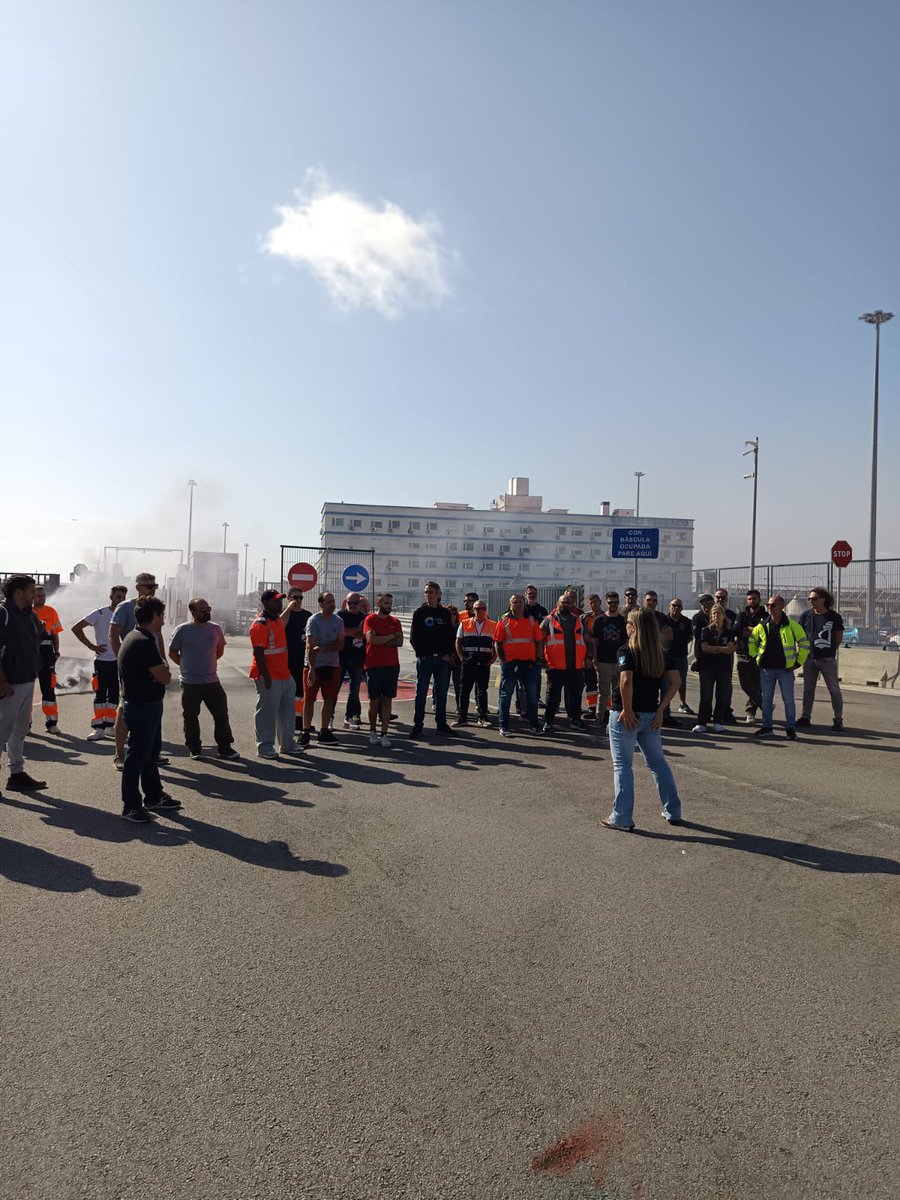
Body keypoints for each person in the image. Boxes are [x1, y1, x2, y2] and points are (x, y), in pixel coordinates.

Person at [601, 607, 683, 832]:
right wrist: (661, 709)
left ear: (634, 627)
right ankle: (673, 810)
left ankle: (622, 817)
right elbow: (676, 681)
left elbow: (626, 681)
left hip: (626, 715)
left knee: (622, 766)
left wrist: (626, 710)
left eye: (627, 622)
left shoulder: (626, 650)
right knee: (658, 762)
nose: (624, 626)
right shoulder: (660, 653)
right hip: (651, 715)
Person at [118, 595, 181, 822]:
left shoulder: (134, 636)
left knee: (149, 754)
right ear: (153, 616)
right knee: (137, 756)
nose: (163, 620)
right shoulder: (144, 642)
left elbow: (159, 674)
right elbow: (164, 676)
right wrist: (163, 670)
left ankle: (154, 796)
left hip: (144, 704)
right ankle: (131, 806)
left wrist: (160, 671)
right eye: (162, 615)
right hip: (143, 706)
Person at [168, 597, 238, 760]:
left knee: (221, 714)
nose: (207, 613)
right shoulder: (182, 630)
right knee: (191, 716)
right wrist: (187, 667)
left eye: (208, 609)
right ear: (193, 613)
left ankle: (225, 747)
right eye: (203, 611)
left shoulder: (215, 629)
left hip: (212, 681)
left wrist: (208, 664)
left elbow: (219, 650)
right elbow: (173, 652)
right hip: (190, 683)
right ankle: (194, 748)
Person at [109, 573, 167, 770]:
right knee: (125, 707)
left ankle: (152, 753)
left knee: (153, 705)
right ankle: (119, 754)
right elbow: (114, 635)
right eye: (149, 586)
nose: (152, 589)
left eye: (155, 585)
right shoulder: (125, 607)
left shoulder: (155, 606)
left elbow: (158, 636)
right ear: (138, 587)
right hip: (133, 666)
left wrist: (163, 659)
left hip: (152, 664)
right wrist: (122, 660)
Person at [0, 575, 48, 795]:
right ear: (19, 592)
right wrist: (2, 681)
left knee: (19, 731)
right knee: (1, 733)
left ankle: (16, 775)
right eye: (31, 592)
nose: (34, 596)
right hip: (8, 685)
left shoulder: (31, 616)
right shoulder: (3, 614)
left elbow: (38, 638)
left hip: (27, 680)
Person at [748, 596, 810, 740]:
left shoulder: (792, 625)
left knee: (788, 699)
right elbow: (752, 641)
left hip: (785, 670)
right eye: (768, 605)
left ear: (782, 606)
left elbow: (805, 643)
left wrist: (798, 662)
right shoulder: (763, 625)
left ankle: (790, 728)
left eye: (773, 605)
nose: (770, 607)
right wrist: (756, 657)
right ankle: (767, 726)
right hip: (766, 669)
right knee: (766, 700)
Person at [72, 585, 127, 740]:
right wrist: (91, 646)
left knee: (116, 694)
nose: (120, 600)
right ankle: (98, 727)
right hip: (102, 661)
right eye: (118, 597)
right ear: (111, 597)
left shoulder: (127, 614)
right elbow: (76, 628)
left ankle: (109, 725)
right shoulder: (100, 613)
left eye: (123, 597)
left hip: (119, 661)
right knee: (100, 693)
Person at [249, 588, 298, 759]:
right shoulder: (260, 624)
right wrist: (266, 676)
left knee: (287, 712)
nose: (279, 603)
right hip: (269, 675)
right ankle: (264, 747)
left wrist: (290, 607)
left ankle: (287, 744)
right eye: (276, 600)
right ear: (266, 603)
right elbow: (259, 653)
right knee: (267, 713)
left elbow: (283, 619)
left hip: (284, 674)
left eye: (280, 600)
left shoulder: (275, 620)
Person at [408, 582, 456, 739]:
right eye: (426, 592)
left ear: (439, 594)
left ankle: (441, 725)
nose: (429, 595)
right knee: (421, 693)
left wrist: (448, 654)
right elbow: (414, 638)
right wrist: (421, 654)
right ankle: (417, 726)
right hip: (425, 660)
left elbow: (450, 636)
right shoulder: (419, 613)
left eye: (432, 592)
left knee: (441, 693)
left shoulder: (444, 614)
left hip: (442, 661)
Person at [493, 592, 544, 736]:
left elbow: (539, 641)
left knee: (532, 697)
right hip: (510, 664)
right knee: (506, 695)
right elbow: (497, 643)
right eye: (514, 602)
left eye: (520, 602)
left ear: (524, 603)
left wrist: (538, 659)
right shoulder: (503, 622)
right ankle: (504, 726)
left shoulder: (532, 621)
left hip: (529, 664)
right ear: (510, 605)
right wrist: (503, 661)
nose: (517, 604)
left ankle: (534, 725)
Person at [540, 593, 590, 732]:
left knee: (576, 696)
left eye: (568, 603)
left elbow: (587, 639)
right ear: (557, 604)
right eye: (563, 602)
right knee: (553, 696)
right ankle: (548, 721)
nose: (566, 605)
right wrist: (542, 658)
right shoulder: (548, 620)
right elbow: (540, 640)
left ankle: (576, 720)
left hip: (575, 665)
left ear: (572, 605)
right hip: (555, 666)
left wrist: (589, 657)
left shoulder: (579, 620)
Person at [797, 587, 844, 731]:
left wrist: (830, 650)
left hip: (827, 659)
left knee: (834, 689)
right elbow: (800, 634)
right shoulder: (805, 616)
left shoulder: (833, 617)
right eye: (809, 599)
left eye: (814, 599)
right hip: (809, 659)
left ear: (824, 599)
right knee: (808, 689)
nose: (811, 601)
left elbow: (838, 637)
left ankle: (838, 719)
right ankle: (806, 717)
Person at [302, 592, 345, 746]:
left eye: (333, 601)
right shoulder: (314, 621)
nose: (332, 604)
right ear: (321, 604)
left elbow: (340, 644)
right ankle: (305, 731)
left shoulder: (338, 621)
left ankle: (324, 731)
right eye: (328, 602)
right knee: (309, 699)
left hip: (332, 666)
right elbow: (310, 646)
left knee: (329, 699)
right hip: (314, 666)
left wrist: (324, 647)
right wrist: (312, 668)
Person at [363, 593, 403, 748]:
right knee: (374, 701)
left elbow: (399, 642)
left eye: (390, 603)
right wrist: (390, 636)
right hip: (373, 665)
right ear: (379, 603)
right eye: (386, 602)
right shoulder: (370, 619)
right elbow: (371, 640)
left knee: (387, 699)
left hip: (392, 665)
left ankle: (384, 733)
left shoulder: (395, 621)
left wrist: (383, 638)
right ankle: (372, 730)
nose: (389, 605)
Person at [692, 604, 736, 733]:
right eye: (714, 613)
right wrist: (722, 649)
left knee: (721, 696)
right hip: (707, 667)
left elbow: (731, 649)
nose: (716, 616)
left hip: (724, 668)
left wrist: (715, 649)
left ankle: (718, 722)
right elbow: (704, 647)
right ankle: (702, 722)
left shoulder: (729, 632)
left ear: (723, 615)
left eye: (718, 613)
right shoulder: (706, 630)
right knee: (706, 696)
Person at [454, 600, 496, 727]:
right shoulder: (465, 623)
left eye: (483, 608)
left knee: (482, 691)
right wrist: (462, 658)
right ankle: (462, 718)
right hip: (468, 663)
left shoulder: (493, 625)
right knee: (464, 691)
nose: (480, 611)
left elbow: (498, 644)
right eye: (477, 608)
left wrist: (493, 659)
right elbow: (458, 642)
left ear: (486, 610)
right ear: (473, 610)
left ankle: (483, 717)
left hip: (484, 664)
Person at [591, 592, 628, 732]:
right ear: (606, 603)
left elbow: (626, 642)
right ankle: (599, 718)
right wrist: (595, 658)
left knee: (619, 692)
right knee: (603, 692)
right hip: (604, 661)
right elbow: (594, 642)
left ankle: (618, 717)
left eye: (615, 602)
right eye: (610, 602)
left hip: (619, 662)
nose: (613, 605)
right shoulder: (599, 621)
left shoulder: (622, 621)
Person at [33, 584, 63, 733]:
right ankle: (25, 724)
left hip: (47, 652)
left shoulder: (51, 612)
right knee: (26, 690)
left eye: (43, 595)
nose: (42, 598)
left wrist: (56, 652)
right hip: (30, 652)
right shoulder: (27, 611)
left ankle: (52, 723)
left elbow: (55, 634)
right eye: (39, 595)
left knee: (48, 688)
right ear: (32, 596)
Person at [733, 589, 766, 723]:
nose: (752, 601)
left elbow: (766, 631)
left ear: (759, 599)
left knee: (757, 684)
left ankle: (750, 712)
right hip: (743, 652)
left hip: (760, 653)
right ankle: (765, 705)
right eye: (750, 599)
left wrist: (749, 630)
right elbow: (736, 630)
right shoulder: (742, 615)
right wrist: (756, 630)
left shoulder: (765, 615)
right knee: (745, 683)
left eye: (754, 598)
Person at [282, 588, 312, 731]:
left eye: (300, 598)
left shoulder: (307, 616)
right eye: (295, 597)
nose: (298, 601)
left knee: (300, 692)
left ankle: (299, 718)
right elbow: (280, 624)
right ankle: (286, 719)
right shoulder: (285, 615)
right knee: (287, 692)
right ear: (288, 598)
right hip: (287, 659)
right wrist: (289, 608)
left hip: (302, 659)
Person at [337, 592, 367, 731]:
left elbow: (365, 633)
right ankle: (330, 717)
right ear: (346, 602)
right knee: (334, 689)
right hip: (341, 658)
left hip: (358, 658)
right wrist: (355, 630)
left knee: (354, 691)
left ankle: (350, 716)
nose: (353, 605)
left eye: (356, 602)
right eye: (350, 603)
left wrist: (350, 632)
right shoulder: (340, 616)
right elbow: (341, 632)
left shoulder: (364, 617)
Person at [666, 599, 695, 716]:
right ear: (669, 606)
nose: (676, 608)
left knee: (681, 681)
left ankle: (683, 704)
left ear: (682, 608)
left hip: (681, 656)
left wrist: (680, 642)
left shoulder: (686, 621)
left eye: (678, 606)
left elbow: (690, 637)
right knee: (664, 683)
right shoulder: (664, 620)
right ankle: (665, 705)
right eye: (674, 605)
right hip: (666, 656)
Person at [580, 594, 602, 718]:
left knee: (604, 684)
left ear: (600, 602)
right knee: (591, 683)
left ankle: (606, 709)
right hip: (588, 656)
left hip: (603, 656)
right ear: (588, 604)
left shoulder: (606, 617)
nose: (594, 605)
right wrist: (588, 657)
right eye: (591, 603)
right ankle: (592, 708)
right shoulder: (585, 618)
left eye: (596, 602)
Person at [445, 604, 463, 715]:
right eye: (449, 614)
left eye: (454, 614)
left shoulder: (460, 627)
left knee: (458, 685)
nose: (452, 616)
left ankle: (459, 707)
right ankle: (439, 706)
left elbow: (462, 643)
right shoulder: (443, 628)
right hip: (445, 659)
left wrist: (457, 656)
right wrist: (448, 656)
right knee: (443, 685)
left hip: (457, 659)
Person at [691, 594, 714, 669]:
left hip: (718, 653)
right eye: (703, 604)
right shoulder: (698, 617)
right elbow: (696, 634)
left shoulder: (718, 615)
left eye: (708, 603)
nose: (705, 606)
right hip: (702, 654)